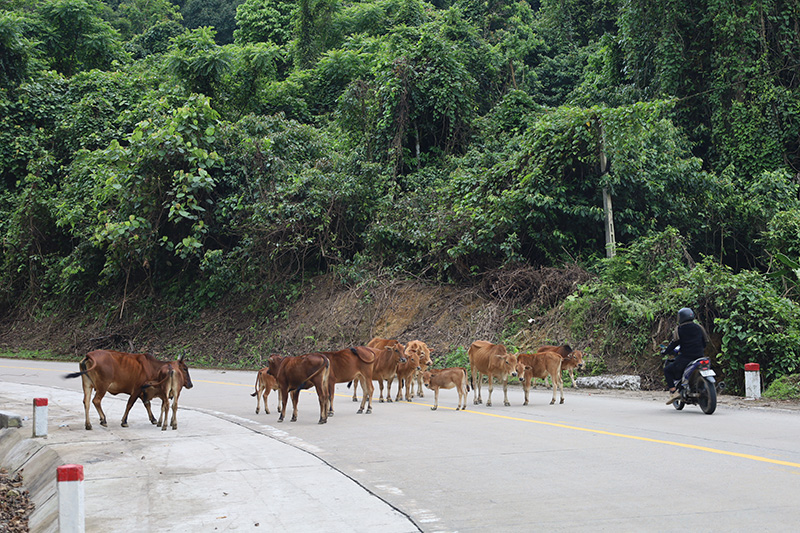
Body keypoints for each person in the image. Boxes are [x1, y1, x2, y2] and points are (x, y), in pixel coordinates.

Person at [663, 307, 708, 404]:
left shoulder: (679, 329)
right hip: (700, 356)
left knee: (667, 370)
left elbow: (674, 343)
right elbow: (705, 342)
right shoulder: (699, 327)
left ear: (681, 317)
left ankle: (673, 392)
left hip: (686, 358)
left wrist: (666, 351)